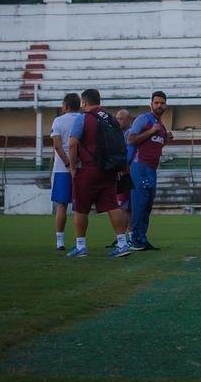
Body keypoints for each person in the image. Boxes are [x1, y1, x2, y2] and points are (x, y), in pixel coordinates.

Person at [66, 89, 131, 258]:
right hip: (109, 169)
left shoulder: (83, 118)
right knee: (112, 206)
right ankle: (122, 243)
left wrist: (73, 167)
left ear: (84, 102)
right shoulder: (111, 118)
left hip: (87, 169)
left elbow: (72, 144)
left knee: (80, 208)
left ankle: (81, 246)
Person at [126, 91, 171, 251]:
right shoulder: (143, 119)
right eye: (156, 103)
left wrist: (165, 137)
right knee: (140, 202)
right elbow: (131, 139)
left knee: (147, 204)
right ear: (151, 104)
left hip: (151, 168)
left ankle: (142, 238)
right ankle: (135, 239)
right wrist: (151, 131)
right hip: (139, 165)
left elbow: (157, 144)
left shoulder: (162, 126)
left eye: (162, 103)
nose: (159, 105)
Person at [49, 92, 81, 250]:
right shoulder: (83, 119)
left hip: (62, 168)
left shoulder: (58, 121)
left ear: (67, 106)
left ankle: (60, 242)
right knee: (79, 206)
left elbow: (57, 145)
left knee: (61, 205)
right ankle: (80, 242)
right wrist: (76, 163)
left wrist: (68, 163)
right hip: (81, 168)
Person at [114, 108, 134, 237]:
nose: (118, 121)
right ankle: (128, 236)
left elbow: (129, 152)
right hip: (123, 172)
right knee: (125, 207)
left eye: (121, 119)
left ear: (129, 120)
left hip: (126, 173)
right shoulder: (118, 133)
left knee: (124, 207)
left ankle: (124, 236)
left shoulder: (129, 133)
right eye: (117, 119)